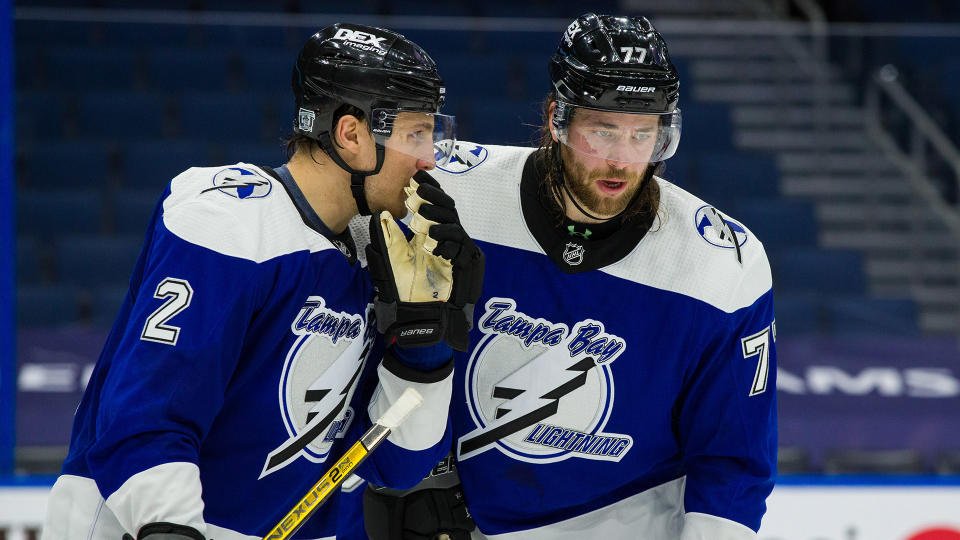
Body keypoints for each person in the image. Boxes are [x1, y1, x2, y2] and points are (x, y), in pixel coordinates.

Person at [42, 23, 483, 540]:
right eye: (416, 133)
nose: (429, 157)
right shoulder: (229, 221)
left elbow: (398, 464)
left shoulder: (384, 253)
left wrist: (424, 341)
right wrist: (170, 529)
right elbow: (146, 417)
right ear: (351, 134)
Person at [355, 13, 777, 540]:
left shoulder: (721, 262)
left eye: (643, 134)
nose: (622, 159)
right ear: (557, 117)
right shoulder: (446, 196)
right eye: (602, 131)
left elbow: (734, 463)